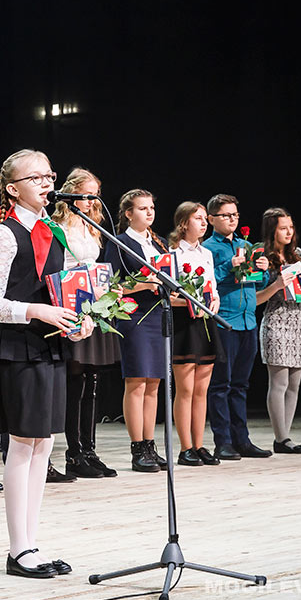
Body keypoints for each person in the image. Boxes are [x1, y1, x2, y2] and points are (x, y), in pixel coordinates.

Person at [0, 149, 94, 579]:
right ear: (12, 189)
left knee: (43, 445)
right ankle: (17, 549)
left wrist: (79, 321)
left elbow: (64, 292)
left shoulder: (54, 231)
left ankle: (32, 542)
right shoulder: (4, 234)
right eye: (36, 177)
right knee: (22, 444)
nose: (47, 183)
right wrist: (35, 311)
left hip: (50, 346)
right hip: (17, 346)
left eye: (49, 175)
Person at [50, 168, 118, 478]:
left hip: (94, 305)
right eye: (86, 194)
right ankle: (73, 452)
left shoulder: (92, 227)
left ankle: (89, 450)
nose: (91, 201)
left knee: (92, 379)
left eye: (95, 195)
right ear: (70, 194)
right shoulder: (59, 227)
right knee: (74, 380)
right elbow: (60, 269)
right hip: (72, 303)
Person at [203, 194, 272, 460]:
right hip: (225, 321)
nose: (232, 219)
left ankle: (242, 440)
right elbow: (205, 281)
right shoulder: (208, 248)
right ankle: (223, 441)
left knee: (241, 385)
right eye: (226, 215)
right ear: (212, 219)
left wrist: (263, 269)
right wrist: (228, 266)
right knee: (221, 384)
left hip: (247, 321)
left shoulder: (246, 245)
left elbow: (258, 282)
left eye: (235, 215)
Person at [105, 189, 168, 473]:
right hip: (135, 316)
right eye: (143, 208)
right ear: (129, 213)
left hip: (158, 316)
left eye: (151, 207)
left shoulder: (159, 243)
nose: (149, 212)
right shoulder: (120, 243)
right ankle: (137, 448)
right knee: (137, 382)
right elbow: (112, 285)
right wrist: (145, 284)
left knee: (154, 383)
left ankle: (150, 445)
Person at [168, 202, 222, 466]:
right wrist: (188, 302)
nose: (203, 223)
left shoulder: (206, 253)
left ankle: (199, 445)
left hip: (205, 322)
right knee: (186, 389)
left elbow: (212, 287)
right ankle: (185, 447)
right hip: (184, 323)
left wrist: (215, 302)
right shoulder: (172, 253)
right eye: (197, 218)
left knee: (202, 389)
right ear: (183, 223)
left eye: (204, 219)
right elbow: (168, 294)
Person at [255, 208, 301, 453]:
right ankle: (281, 437)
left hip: (300, 320)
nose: (289, 232)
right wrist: (276, 285)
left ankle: (285, 438)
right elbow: (255, 299)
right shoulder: (262, 257)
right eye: (283, 228)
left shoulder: (300, 255)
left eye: (291, 227)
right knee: (279, 382)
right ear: (272, 230)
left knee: (294, 384)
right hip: (277, 321)